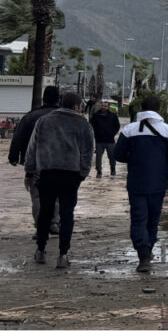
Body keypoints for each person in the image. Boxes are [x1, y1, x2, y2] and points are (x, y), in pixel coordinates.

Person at [113, 95, 168, 273]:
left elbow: (118, 155)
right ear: (158, 110)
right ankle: (148, 251)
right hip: (158, 184)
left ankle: (143, 255)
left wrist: (135, 159)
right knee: (152, 220)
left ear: (142, 109)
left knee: (138, 219)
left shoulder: (130, 130)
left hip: (136, 182)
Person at [25, 91, 94, 269]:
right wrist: (83, 174)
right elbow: (87, 152)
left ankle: (40, 251)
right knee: (67, 214)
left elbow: (32, 148)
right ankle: (63, 255)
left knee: (45, 213)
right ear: (77, 106)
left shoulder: (44, 121)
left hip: (47, 173)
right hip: (71, 175)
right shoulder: (83, 124)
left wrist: (30, 171)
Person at [8, 85, 61, 229]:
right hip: (59, 162)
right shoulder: (64, 117)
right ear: (58, 99)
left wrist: (13, 156)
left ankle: (40, 224)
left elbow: (18, 137)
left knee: (37, 195)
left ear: (43, 98)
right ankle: (54, 222)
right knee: (56, 193)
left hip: (34, 162)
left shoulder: (30, 116)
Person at [89, 100, 121, 177]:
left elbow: (117, 126)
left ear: (108, 107)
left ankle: (113, 169)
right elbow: (91, 126)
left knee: (112, 156)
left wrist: (112, 133)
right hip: (99, 140)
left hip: (110, 140)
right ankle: (99, 171)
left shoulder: (113, 116)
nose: (103, 107)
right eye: (102, 106)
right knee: (98, 157)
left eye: (105, 106)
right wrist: (96, 134)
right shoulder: (96, 116)